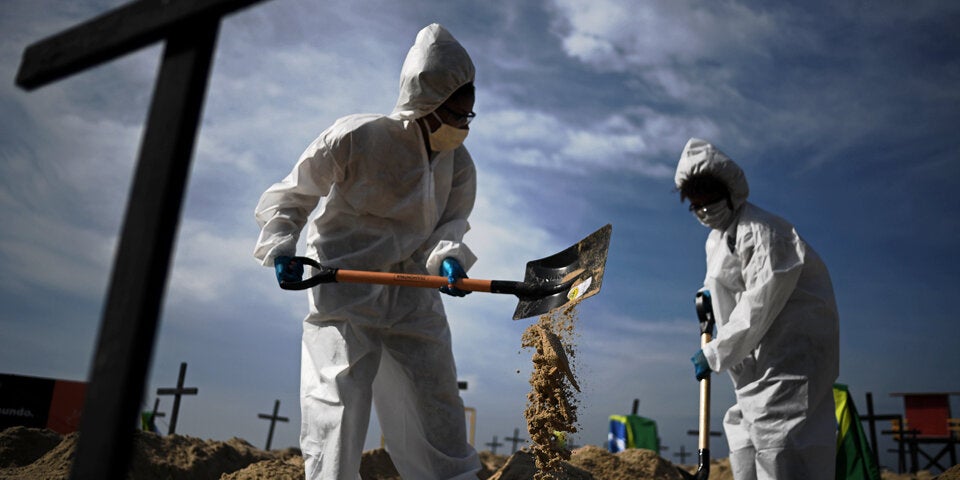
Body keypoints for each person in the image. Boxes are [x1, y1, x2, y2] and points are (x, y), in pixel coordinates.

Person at [253, 24, 481, 480]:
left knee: (436, 400)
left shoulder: (459, 164)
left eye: (468, 117)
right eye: (455, 114)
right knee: (337, 403)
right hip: (344, 285)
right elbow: (293, 195)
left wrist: (449, 258)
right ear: (427, 102)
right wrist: (281, 247)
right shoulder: (356, 137)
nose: (462, 126)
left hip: (413, 290)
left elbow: (450, 224)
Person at [675, 138, 840, 480]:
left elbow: (759, 303)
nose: (704, 211)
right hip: (755, 361)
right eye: (696, 205)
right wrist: (707, 294)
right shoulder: (717, 239)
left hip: (791, 356)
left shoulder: (764, 232)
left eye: (709, 200)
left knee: (780, 438)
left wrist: (716, 351)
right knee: (743, 430)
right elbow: (721, 282)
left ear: (730, 191)